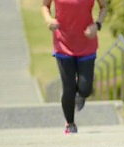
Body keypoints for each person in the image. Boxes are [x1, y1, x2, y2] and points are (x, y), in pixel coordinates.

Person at [42, 0, 108, 134]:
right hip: (63, 44)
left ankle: (81, 94)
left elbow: (104, 6)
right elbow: (45, 6)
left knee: (85, 88)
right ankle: (70, 124)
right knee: (68, 87)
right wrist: (49, 20)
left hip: (87, 43)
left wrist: (97, 25)